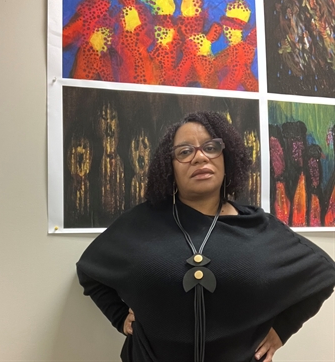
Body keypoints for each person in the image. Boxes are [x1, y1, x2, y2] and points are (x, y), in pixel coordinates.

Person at [76, 111, 335, 362]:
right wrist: (118, 315)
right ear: (170, 168)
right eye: (185, 152)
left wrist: (283, 329)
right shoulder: (140, 223)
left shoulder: (259, 228)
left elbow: (325, 274)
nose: (200, 158)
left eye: (210, 147)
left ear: (227, 157)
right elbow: (89, 271)